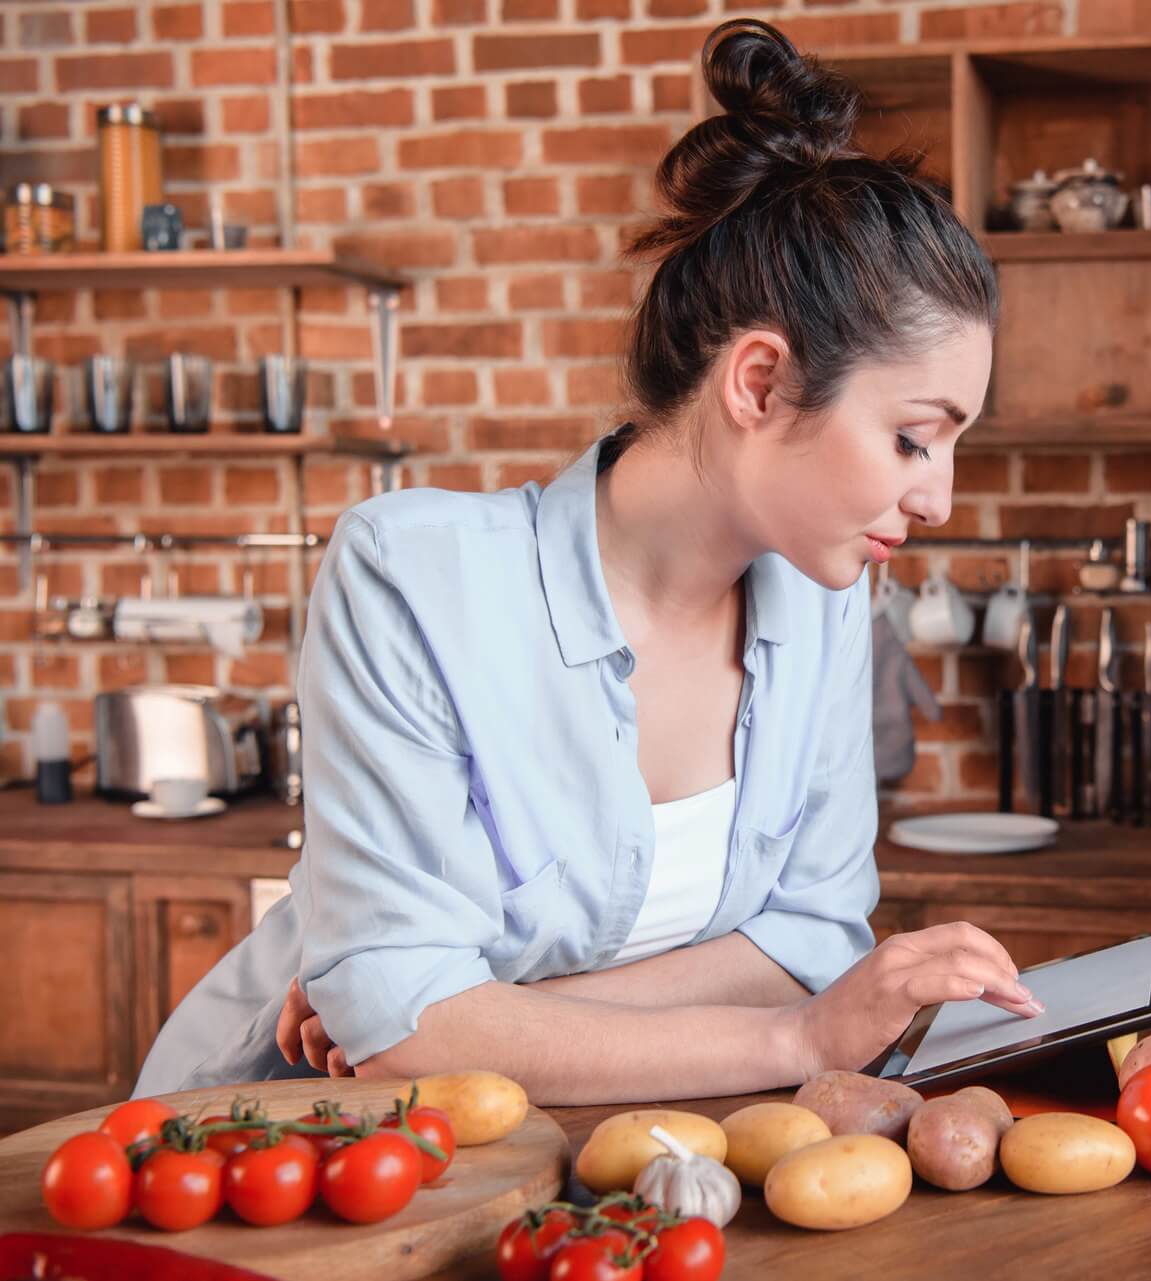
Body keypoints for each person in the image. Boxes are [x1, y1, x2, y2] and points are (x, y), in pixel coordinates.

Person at [135, 19, 1046, 1105]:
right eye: (913, 437)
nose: (937, 496)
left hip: (566, 1159)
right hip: (281, 1146)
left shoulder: (828, 605)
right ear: (758, 384)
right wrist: (795, 1043)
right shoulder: (411, 580)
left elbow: (809, 937)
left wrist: (455, 1015)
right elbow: (400, 1039)